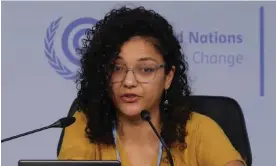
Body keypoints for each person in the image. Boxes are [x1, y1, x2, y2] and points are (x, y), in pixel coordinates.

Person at [58, 6, 247, 166]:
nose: (129, 82)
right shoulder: (84, 125)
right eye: (116, 68)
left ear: (168, 77)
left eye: (146, 69)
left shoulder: (197, 129)